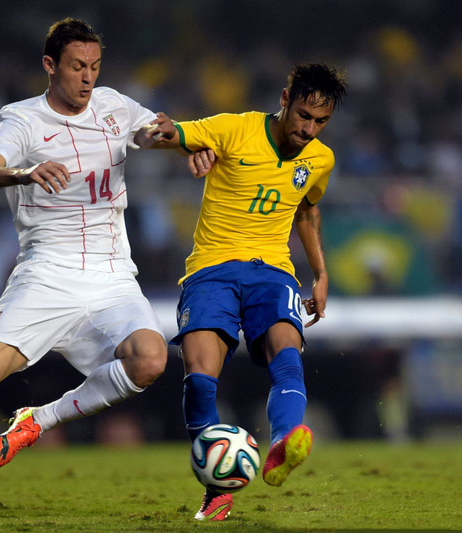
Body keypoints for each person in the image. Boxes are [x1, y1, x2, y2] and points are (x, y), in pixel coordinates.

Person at [0, 18, 215, 524]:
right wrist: (23, 172)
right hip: (45, 274)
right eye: (77, 66)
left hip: (112, 275)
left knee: (151, 359)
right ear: (50, 65)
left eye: (95, 67)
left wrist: (190, 143)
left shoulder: (116, 106)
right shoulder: (23, 121)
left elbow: (154, 129)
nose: (88, 78)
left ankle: (40, 419)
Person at [140, 63, 347, 521]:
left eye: (320, 122)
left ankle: (283, 443)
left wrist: (320, 273)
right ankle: (217, 490)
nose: (309, 129)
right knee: (199, 373)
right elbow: (177, 133)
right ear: (285, 98)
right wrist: (162, 134)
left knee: (285, 349)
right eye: (304, 116)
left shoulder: (321, 159)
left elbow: (307, 211)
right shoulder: (235, 128)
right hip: (210, 270)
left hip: (273, 270)